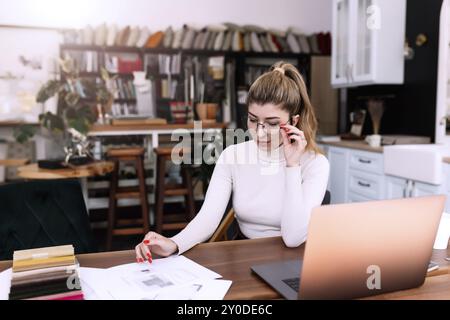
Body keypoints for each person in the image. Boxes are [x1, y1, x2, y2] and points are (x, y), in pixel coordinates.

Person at [135, 61, 330, 263]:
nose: (260, 132)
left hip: (296, 259)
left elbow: (293, 238)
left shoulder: (315, 164)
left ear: (294, 122)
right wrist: (174, 243)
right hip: (245, 254)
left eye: (272, 123)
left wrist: (292, 166)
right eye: (253, 120)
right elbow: (208, 217)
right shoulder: (233, 156)